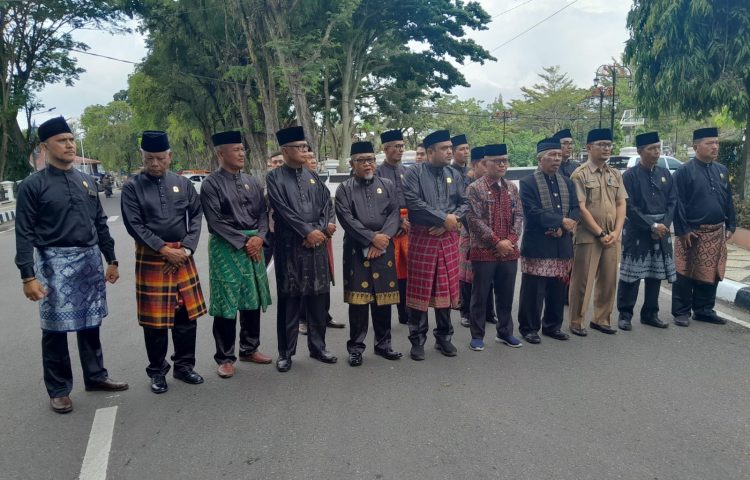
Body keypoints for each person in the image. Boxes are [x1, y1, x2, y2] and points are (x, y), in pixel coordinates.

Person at [15, 116, 128, 413]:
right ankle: (59, 389)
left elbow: (100, 223)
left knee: (91, 324)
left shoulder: (86, 181)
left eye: (71, 139)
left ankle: (96, 376)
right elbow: (24, 232)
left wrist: (111, 259)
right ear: (44, 146)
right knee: (54, 331)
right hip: (53, 264)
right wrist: (28, 276)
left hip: (89, 262)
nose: (68, 145)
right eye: (61, 140)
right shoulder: (32, 186)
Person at [121, 131, 207, 393]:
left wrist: (188, 250)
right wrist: (162, 249)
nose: (155, 164)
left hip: (182, 256)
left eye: (160, 158)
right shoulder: (132, 187)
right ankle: (157, 372)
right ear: (143, 157)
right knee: (155, 322)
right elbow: (133, 224)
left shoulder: (183, 183)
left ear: (170, 156)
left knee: (185, 318)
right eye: (149, 159)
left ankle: (184, 367)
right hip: (152, 257)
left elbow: (195, 216)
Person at [200, 130, 273, 379]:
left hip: (254, 244)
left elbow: (263, 214)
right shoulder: (211, 183)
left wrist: (260, 237)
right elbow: (215, 221)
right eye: (236, 150)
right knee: (227, 301)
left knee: (251, 298)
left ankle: (249, 348)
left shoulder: (252, 181)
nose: (242, 153)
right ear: (221, 154)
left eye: (243, 149)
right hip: (226, 247)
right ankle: (225, 357)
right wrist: (246, 241)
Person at [266, 126, 337, 372]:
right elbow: (283, 210)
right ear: (286, 150)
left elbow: (326, 206)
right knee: (290, 302)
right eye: (300, 147)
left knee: (318, 300)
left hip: (315, 248)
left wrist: (317, 231)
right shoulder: (274, 178)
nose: (305, 151)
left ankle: (318, 347)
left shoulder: (312, 177)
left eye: (306, 147)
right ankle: (286, 353)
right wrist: (307, 231)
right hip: (289, 248)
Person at [335, 141, 403, 366]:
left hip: (384, 249)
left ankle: (384, 345)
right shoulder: (344, 189)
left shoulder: (388, 184)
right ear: (352, 164)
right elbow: (347, 219)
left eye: (371, 159)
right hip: (356, 251)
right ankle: (356, 348)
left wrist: (382, 239)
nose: (367, 164)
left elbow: (394, 214)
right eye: (362, 160)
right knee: (359, 304)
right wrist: (371, 238)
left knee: (383, 301)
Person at [403, 130, 468, 360]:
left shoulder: (454, 173)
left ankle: (444, 338)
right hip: (423, 237)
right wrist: (443, 218)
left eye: (450, 147)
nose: (449, 151)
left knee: (445, 290)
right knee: (420, 293)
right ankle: (417, 340)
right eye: (444, 148)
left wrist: (450, 222)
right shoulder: (413, 174)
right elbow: (414, 203)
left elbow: (464, 202)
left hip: (448, 238)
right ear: (430, 152)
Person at [671, 127, 736, 327]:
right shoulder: (683, 171)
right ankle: (681, 312)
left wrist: (731, 224)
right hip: (691, 232)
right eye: (710, 143)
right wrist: (682, 230)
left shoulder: (722, 171)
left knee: (712, 272)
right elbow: (677, 203)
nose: (715, 147)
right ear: (695, 146)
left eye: (716, 142)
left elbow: (728, 200)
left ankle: (704, 309)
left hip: (716, 231)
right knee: (685, 272)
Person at [517, 138, 580, 344]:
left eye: (559, 155)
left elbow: (575, 208)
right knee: (534, 290)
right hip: (538, 243)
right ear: (539, 159)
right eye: (551, 155)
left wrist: (564, 225)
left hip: (561, 245)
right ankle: (529, 328)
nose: (556, 159)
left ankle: (552, 326)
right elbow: (532, 212)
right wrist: (560, 221)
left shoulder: (567, 182)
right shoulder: (528, 183)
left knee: (557, 289)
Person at [568, 128, 628, 336]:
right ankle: (577, 320)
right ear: (589, 148)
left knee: (609, 280)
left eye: (609, 145)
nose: (606, 148)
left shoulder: (615, 174)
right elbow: (581, 208)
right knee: (582, 280)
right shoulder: (580, 174)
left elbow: (621, 203)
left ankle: (601, 319)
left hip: (612, 236)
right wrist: (600, 233)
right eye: (601, 144)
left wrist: (617, 231)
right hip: (588, 235)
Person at [465, 143, 524, 351]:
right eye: (497, 161)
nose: (502, 165)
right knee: (480, 295)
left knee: (506, 293)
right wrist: (497, 242)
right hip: (484, 251)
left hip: (509, 251)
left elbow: (519, 216)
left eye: (505, 161)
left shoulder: (511, 188)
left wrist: (510, 240)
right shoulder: (475, 188)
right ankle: (477, 335)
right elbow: (474, 220)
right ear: (484, 163)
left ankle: (505, 332)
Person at [617, 132, 677, 330]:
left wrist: (665, 224)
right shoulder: (630, 176)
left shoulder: (665, 174)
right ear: (639, 151)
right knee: (631, 275)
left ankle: (650, 314)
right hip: (637, 230)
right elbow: (628, 206)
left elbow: (672, 202)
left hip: (661, 230)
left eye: (658, 148)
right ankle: (625, 314)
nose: (656, 152)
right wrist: (651, 226)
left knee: (655, 274)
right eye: (651, 148)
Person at [298, 150, 345, 334]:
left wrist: (329, 226)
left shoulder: (319, 183)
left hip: (323, 237)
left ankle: (324, 315)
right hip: (307, 239)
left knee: (324, 277)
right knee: (305, 280)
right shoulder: (296, 184)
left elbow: (329, 208)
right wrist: (313, 232)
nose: (312, 161)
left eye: (314, 158)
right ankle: (303, 319)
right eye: (308, 158)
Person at [459, 146, 497, 328]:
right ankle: (466, 312)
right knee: (468, 277)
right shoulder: (466, 183)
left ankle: (489, 311)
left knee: (487, 275)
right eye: (484, 163)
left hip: (490, 236)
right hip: (470, 235)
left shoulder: (490, 183)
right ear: (475, 165)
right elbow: (465, 212)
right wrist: (479, 232)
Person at [375, 129, 410, 324]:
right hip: (388, 227)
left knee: (406, 272)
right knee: (389, 272)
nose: (400, 150)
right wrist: (397, 222)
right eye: (396, 147)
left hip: (408, 227)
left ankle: (405, 313)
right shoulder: (378, 173)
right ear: (385, 149)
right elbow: (379, 204)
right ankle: (384, 316)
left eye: (402, 146)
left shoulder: (407, 171)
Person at [263, 151, 284, 264]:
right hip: (269, 230)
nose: (278, 164)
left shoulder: (291, 180)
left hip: (286, 231)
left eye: (281, 161)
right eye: (275, 162)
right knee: (262, 263)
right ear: (270, 164)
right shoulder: (267, 181)